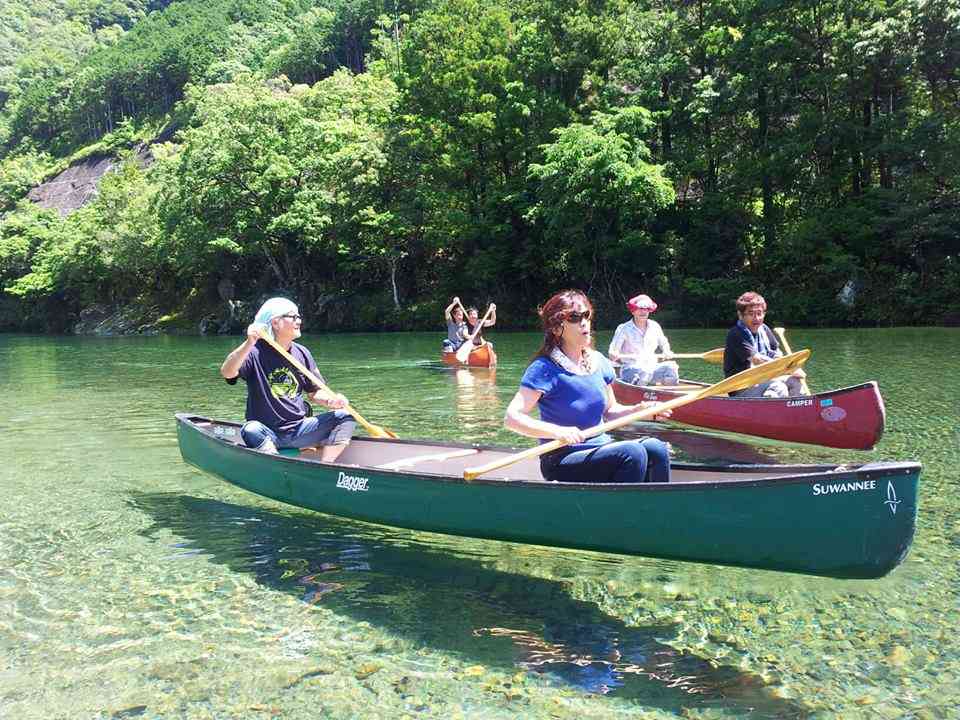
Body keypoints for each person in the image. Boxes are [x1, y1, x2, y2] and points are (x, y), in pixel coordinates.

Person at [504, 289, 672, 484]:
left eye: (586, 315)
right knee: (632, 453)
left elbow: (610, 411)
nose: (584, 322)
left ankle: (655, 503)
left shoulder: (599, 362)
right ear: (556, 328)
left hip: (599, 448)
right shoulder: (544, 368)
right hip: (562, 457)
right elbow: (512, 418)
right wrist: (558, 431)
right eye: (574, 318)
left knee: (656, 448)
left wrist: (640, 411)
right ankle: (622, 504)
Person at [220, 297, 356, 459]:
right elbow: (227, 373)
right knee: (250, 429)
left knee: (345, 416)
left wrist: (331, 401)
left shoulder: (302, 353)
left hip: (299, 429)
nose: (299, 321)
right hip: (267, 432)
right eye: (293, 317)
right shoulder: (253, 352)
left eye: (299, 316)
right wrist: (249, 343)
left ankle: (326, 465)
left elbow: (314, 392)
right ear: (275, 323)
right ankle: (275, 460)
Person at [723, 291, 806, 397]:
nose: (756, 318)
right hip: (741, 388)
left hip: (763, 380)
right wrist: (787, 369)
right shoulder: (736, 334)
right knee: (778, 387)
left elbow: (776, 354)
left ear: (764, 314)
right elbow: (757, 360)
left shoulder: (764, 329)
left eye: (759, 313)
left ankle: (797, 406)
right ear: (740, 315)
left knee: (794, 381)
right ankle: (772, 404)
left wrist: (791, 366)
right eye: (751, 314)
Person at [607, 294, 679, 386]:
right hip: (630, 369)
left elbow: (664, 343)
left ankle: (666, 392)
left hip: (652, 368)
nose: (643, 311)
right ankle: (640, 389)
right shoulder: (623, 329)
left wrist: (667, 351)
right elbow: (613, 350)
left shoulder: (655, 326)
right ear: (633, 311)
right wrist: (613, 354)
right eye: (640, 308)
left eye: (646, 309)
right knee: (644, 372)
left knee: (672, 368)